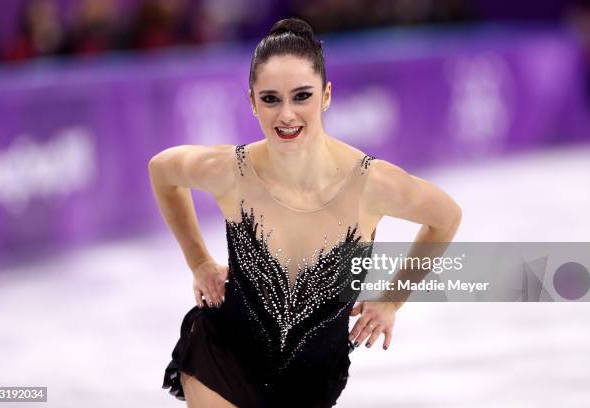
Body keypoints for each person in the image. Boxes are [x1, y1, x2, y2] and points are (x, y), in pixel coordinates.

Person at [149, 17, 462, 408]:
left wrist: (392, 300)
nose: (286, 115)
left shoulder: (370, 183)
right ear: (251, 101)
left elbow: (445, 216)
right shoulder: (230, 171)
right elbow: (162, 171)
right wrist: (198, 260)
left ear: (326, 95)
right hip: (224, 355)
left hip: (312, 382)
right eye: (270, 99)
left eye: (301, 96)